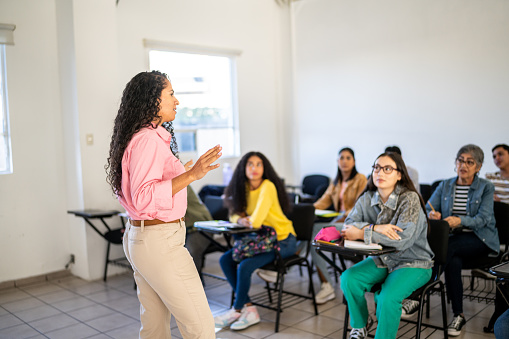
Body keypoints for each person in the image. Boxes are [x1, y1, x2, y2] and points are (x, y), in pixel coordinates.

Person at [105, 71, 221, 339]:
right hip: (160, 243)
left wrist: (184, 174)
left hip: (145, 239)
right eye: (170, 94)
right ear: (152, 100)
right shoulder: (147, 139)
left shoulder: (144, 136)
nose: (176, 101)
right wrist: (190, 176)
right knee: (201, 329)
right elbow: (144, 197)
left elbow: (141, 192)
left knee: (155, 328)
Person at [339, 152, 433, 339]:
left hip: (414, 262)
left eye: (387, 169)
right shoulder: (367, 198)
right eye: (377, 168)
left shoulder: (410, 199)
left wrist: (362, 232)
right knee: (348, 278)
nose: (380, 173)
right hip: (383, 260)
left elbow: (403, 239)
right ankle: (361, 324)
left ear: (399, 175)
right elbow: (348, 225)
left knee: (387, 298)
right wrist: (376, 228)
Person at [419, 144, 499, 336]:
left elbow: (484, 219)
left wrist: (459, 220)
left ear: (478, 167)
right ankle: (458, 315)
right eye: (460, 160)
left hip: (481, 238)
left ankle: (422, 290)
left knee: (448, 247)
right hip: (453, 241)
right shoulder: (445, 185)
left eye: (470, 162)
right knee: (452, 260)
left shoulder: (486, 187)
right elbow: (429, 208)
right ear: (455, 163)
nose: (464, 165)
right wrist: (433, 214)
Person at [214, 152, 297, 331]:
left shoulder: (267, 186)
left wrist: (244, 219)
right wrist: (239, 219)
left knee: (244, 265)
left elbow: (256, 221)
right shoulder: (242, 187)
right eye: (250, 164)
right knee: (225, 260)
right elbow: (234, 213)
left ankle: (236, 310)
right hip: (261, 240)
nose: (254, 168)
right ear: (244, 168)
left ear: (264, 168)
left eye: (259, 164)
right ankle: (250, 308)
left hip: (283, 241)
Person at [310, 147, 367, 304]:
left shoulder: (361, 179)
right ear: (337, 161)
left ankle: (327, 286)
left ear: (354, 161)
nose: (344, 161)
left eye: (348, 158)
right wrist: (309, 210)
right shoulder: (336, 182)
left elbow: (360, 206)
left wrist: (343, 216)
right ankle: (325, 283)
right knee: (307, 226)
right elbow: (323, 201)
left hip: (352, 224)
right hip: (338, 223)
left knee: (316, 231)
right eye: (341, 158)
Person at [184, 185, 214, 275]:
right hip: (184, 229)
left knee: (189, 253)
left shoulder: (180, 182)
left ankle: (192, 285)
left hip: (201, 226)